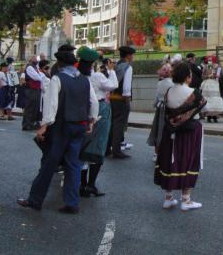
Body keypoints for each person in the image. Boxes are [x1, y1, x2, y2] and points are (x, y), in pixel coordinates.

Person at [17, 46, 99, 213]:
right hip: (80, 126)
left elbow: (52, 104)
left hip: (62, 126)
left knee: (49, 164)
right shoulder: (84, 79)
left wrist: (44, 125)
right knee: (74, 165)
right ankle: (72, 202)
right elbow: (94, 102)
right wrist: (92, 120)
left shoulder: (57, 79)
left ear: (60, 63)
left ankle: (35, 200)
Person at [153, 62, 206, 211]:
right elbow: (203, 107)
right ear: (188, 77)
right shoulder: (194, 93)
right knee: (188, 161)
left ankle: (168, 198)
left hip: (170, 132)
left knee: (170, 162)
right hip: (189, 132)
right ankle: (186, 200)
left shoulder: (169, 91)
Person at [80, 51, 117, 198]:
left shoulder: (79, 76)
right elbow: (113, 86)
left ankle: (82, 184)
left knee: (84, 146)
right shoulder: (98, 76)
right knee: (99, 144)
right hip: (100, 107)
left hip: (83, 108)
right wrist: (112, 71)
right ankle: (91, 185)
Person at [109, 45, 135, 159]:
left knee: (112, 124)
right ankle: (116, 150)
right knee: (119, 125)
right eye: (132, 55)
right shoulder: (128, 67)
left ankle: (107, 148)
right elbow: (126, 87)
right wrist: (127, 101)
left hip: (112, 98)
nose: (133, 57)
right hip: (121, 99)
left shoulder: (117, 65)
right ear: (129, 56)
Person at [22, 55, 43, 131]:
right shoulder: (30, 67)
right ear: (30, 59)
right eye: (34, 58)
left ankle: (32, 123)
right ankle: (26, 124)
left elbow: (39, 75)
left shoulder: (35, 67)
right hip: (31, 89)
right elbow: (36, 77)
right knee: (29, 107)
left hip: (36, 89)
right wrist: (41, 78)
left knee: (35, 107)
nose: (36, 60)